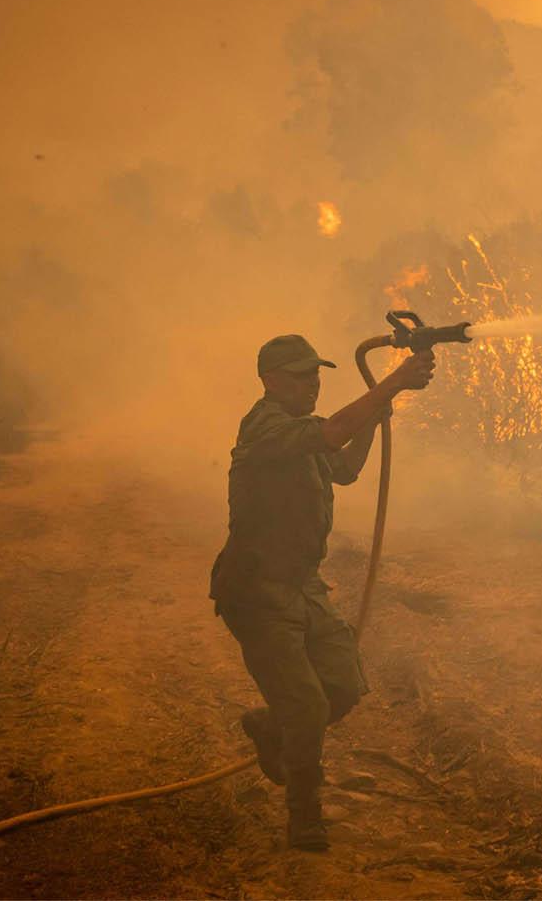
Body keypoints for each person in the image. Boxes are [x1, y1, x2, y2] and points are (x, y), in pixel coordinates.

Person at [210, 333, 436, 851]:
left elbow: (346, 468)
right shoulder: (266, 428)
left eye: (316, 374)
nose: (312, 383)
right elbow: (333, 431)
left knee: (344, 685)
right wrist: (394, 384)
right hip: (257, 591)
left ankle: (271, 728)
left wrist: (376, 420)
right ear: (270, 381)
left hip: (300, 585)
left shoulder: (300, 436)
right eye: (300, 375)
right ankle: (305, 820)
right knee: (308, 707)